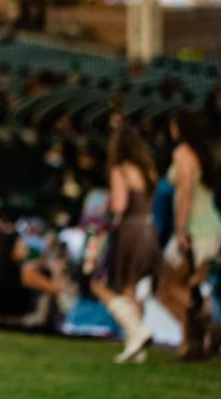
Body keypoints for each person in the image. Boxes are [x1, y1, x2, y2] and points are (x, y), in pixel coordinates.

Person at [157, 109, 221, 359]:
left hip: (194, 228)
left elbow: (185, 193)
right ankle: (192, 341)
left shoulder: (182, 153)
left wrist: (180, 230)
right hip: (212, 228)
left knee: (165, 284)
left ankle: (207, 327)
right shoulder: (203, 154)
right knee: (189, 284)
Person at [88, 121, 161, 363]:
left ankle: (137, 332)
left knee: (106, 285)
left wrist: (106, 204)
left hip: (129, 232)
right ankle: (135, 347)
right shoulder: (148, 169)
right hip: (148, 231)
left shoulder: (120, 169)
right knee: (132, 288)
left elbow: (119, 206)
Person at [0, 230, 67, 328]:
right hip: (19, 321)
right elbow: (56, 289)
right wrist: (58, 272)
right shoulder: (24, 272)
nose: (26, 247)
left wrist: (46, 252)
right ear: (12, 250)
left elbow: (34, 265)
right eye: (22, 245)